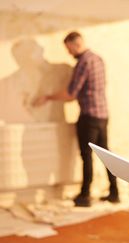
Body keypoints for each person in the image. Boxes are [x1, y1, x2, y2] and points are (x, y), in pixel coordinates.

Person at [33, 31, 119, 207]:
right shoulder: (97, 58)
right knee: (106, 154)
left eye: (68, 48)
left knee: (86, 156)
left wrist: (47, 97)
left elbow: (70, 94)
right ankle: (114, 193)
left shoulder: (83, 62)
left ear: (74, 44)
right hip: (103, 114)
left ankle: (85, 196)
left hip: (88, 116)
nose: (68, 53)